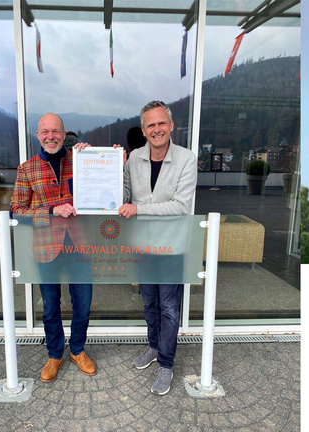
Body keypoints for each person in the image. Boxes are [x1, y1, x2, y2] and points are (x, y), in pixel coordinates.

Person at [10, 113, 96, 382]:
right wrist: (50, 210)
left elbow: (107, 190)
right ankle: (55, 354)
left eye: (56, 131)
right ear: (38, 135)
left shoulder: (81, 161)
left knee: (83, 305)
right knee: (50, 307)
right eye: (45, 132)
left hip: (81, 247)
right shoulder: (27, 169)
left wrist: (101, 158)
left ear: (64, 133)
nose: (51, 136)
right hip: (46, 247)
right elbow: (16, 210)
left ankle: (78, 350)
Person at [118, 101, 197, 395]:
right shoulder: (134, 158)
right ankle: (153, 347)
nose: (157, 129)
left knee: (168, 308)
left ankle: (166, 363)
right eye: (151, 125)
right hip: (142, 246)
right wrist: (107, 162)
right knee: (149, 304)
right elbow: (121, 196)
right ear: (144, 130)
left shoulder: (187, 159)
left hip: (172, 246)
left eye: (161, 123)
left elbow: (180, 205)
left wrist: (137, 210)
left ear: (171, 125)